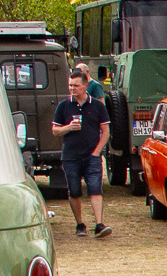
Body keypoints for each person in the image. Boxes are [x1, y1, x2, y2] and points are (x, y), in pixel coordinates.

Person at [52, 69, 111, 238]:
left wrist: (96, 152)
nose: (72, 88)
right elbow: (55, 130)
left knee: (95, 189)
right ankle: (80, 224)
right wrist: (68, 127)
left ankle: (99, 224)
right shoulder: (63, 106)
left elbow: (106, 132)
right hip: (70, 157)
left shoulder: (97, 106)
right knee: (74, 191)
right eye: (70, 85)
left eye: (76, 85)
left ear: (85, 86)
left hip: (92, 156)